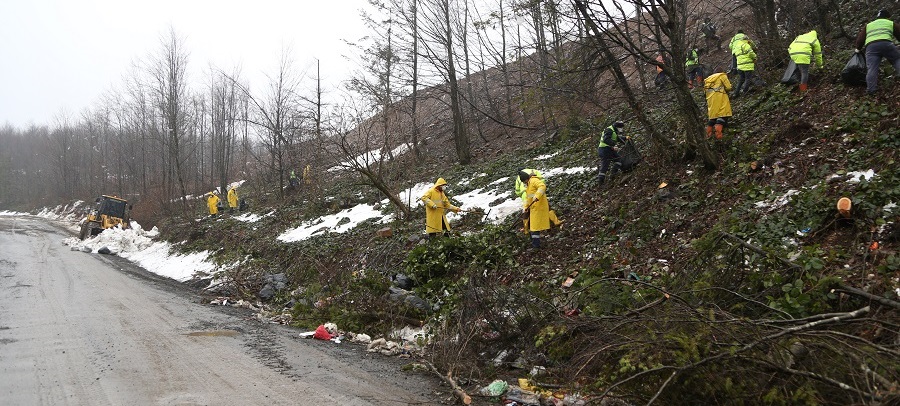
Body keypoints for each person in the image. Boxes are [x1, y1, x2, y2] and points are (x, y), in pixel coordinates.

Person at [854, 9, 900, 95]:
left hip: (871, 47)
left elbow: (861, 38)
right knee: (897, 60)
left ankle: (871, 91)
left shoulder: (869, 25)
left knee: (872, 69)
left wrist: (858, 48)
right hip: (886, 44)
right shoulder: (890, 23)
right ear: (887, 17)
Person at [519, 170, 551, 249]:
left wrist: (537, 196)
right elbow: (527, 198)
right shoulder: (528, 185)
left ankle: (536, 246)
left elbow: (542, 186)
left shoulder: (534, 181)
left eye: (524, 181)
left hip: (539, 207)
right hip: (534, 208)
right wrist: (525, 207)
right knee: (533, 227)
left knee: (534, 228)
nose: (524, 183)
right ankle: (535, 243)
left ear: (526, 179)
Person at [704, 67, 733, 140]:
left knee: (713, 118)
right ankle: (719, 137)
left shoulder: (707, 80)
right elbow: (728, 87)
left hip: (711, 101)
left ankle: (708, 135)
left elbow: (705, 92)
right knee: (722, 116)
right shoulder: (722, 76)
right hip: (721, 99)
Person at [597, 121, 627, 185]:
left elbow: (616, 137)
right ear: (617, 127)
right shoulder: (609, 130)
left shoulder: (613, 130)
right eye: (621, 127)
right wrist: (614, 145)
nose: (621, 129)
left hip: (608, 149)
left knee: (618, 160)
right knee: (605, 165)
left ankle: (613, 175)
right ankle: (600, 183)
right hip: (604, 149)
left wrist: (625, 138)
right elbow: (606, 139)